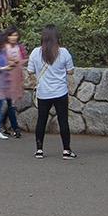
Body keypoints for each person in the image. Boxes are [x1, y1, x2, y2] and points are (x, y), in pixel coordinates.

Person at [26, 25, 76, 159]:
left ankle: (39, 150)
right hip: (60, 92)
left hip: (43, 92)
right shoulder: (63, 52)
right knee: (63, 121)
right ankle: (66, 150)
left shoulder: (35, 52)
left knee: (41, 120)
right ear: (56, 37)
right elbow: (70, 71)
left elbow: (30, 71)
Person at [2, 28, 28, 138]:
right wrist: (9, 62)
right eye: (11, 35)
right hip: (6, 77)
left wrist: (19, 61)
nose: (13, 37)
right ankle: (15, 128)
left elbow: (25, 59)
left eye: (15, 35)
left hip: (17, 77)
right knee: (11, 103)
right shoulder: (3, 48)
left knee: (11, 103)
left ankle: (1, 123)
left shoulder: (20, 47)